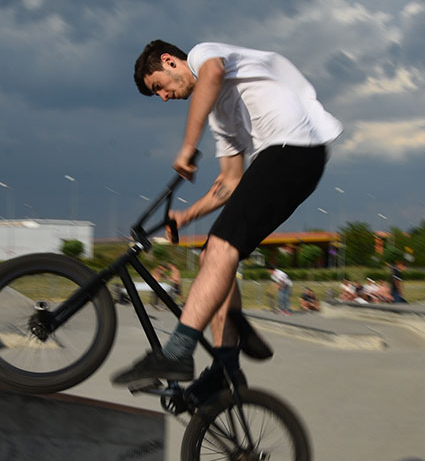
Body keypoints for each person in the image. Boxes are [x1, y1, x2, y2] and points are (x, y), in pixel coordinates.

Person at [113, 39, 342, 385]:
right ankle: (225, 368)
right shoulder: (221, 116)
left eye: (159, 87)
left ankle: (176, 353)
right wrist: (185, 217)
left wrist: (188, 146)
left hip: (293, 150)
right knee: (212, 259)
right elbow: (231, 182)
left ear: (170, 61)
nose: (164, 97)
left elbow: (213, 73)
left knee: (221, 248)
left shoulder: (204, 55)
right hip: (286, 160)